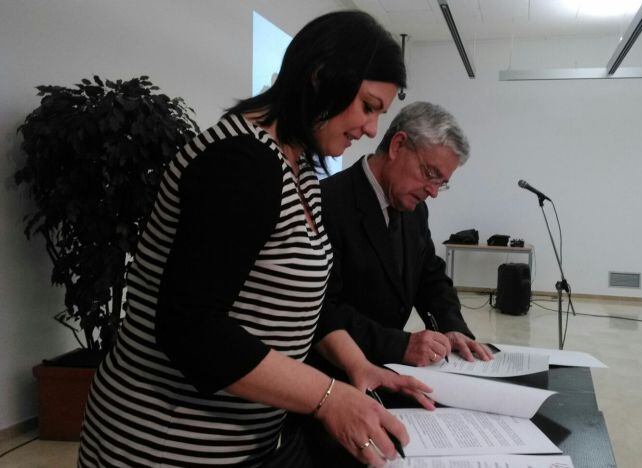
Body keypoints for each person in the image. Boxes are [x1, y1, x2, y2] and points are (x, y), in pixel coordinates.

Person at [77, 11, 433, 468]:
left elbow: (296, 303)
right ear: (320, 77)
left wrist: (357, 366)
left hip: (244, 443)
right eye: (367, 106)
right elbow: (191, 327)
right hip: (164, 443)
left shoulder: (299, 166)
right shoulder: (241, 163)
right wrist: (327, 397)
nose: (369, 130)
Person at [316, 101, 494, 369]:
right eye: (430, 174)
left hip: (388, 371)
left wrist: (452, 327)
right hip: (335, 375)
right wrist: (400, 345)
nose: (433, 192)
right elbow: (323, 309)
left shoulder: (414, 208)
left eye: (441, 183)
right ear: (397, 145)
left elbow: (429, 276)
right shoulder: (328, 202)